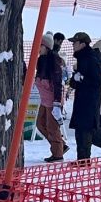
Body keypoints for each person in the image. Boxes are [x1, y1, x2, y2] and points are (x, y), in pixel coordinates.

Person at [69, 31, 101, 161]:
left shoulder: (91, 58)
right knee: (85, 130)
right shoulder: (81, 58)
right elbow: (78, 81)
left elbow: (97, 81)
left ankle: (84, 160)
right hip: (81, 99)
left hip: (90, 101)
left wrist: (82, 79)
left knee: (85, 130)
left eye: (75, 42)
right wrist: (74, 80)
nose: (73, 45)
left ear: (83, 44)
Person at [34, 33, 67, 162]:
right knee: (40, 124)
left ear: (46, 47)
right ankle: (59, 145)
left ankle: (58, 153)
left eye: (40, 46)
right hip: (44, 99)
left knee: (52, 127)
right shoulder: (41, 60)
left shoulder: (54, 61)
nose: (38, 49)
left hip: (53, 101)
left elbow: (58, 83)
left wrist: (57, 103)